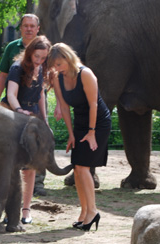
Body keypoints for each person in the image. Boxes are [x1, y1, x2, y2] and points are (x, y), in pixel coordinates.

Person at [47, 43, 111, 231]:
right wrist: (71, 134)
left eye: (59, 64)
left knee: (83, 167)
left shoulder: (86, 74)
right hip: (80, 123)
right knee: (77, 169)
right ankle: (84, 212)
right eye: (54, 65)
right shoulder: (58, 78)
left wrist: (91, 133)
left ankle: (93, 211)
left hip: (97, 123)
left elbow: (94, 105)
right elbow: (65, 107)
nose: (56, 69)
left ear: (68, 58)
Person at [0, 13, 48, 197]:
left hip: (35, 97)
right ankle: (9, 182)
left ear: (37, 28)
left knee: (39, 141)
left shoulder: (44, 47)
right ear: (21, 28)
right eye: (25, 26)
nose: (29, 29)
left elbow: (49, 78)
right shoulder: (12, 48)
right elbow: (3, 75)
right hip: (15, 100)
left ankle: (37, 184)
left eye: (32, 26)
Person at [1, 35, 51, 224]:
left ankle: (25, 210)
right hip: (15, 117)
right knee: (12, 168)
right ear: (30, 52)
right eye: (37, 56)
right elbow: (11, 94)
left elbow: (40, 95)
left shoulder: (42, 67)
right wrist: (20, 111)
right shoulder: (17, 67)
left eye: (44, 58)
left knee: (30, 168)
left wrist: (44, 121)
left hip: (34, 118)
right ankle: (9, 211)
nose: (39, 61)